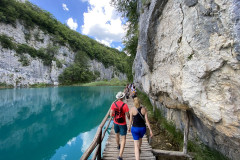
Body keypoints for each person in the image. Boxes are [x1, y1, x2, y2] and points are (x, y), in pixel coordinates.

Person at [110, 91, 130, 160]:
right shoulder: (125, 105)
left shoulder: (113, 104)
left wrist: (114, 116)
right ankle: (120, 156)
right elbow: (127, 115)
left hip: (115, 122)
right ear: (123, 97)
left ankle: (118, 146)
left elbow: (111, 114)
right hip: (123, 123)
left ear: (117, 97)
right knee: (123, 138)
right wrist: (129, 118)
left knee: (116, 134)